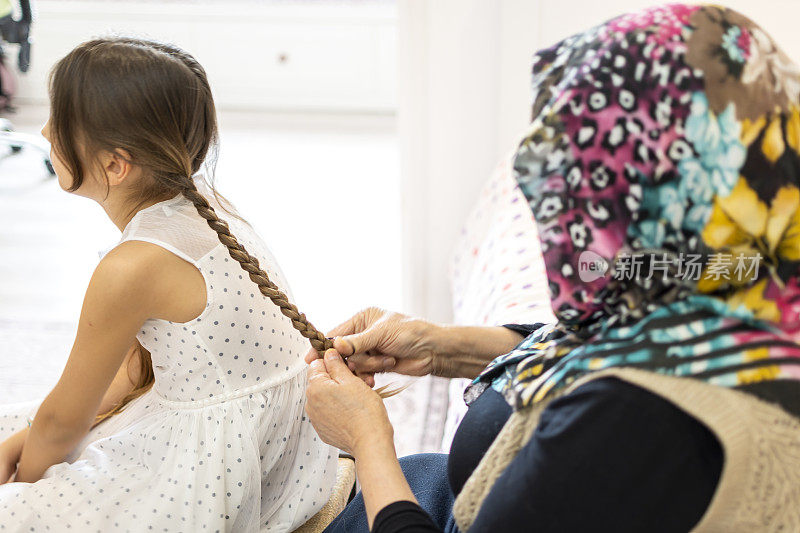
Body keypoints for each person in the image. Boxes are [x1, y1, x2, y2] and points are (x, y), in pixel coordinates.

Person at [305, 4, 800, 532]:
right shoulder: (741, 264)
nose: (558, 236)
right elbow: (602, 336)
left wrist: (367, 441)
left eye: (575, 200)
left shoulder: (636, 421)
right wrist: (441, 348)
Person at [0, 38, 336, 531]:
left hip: (212, 469)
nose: (45, 129)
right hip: (258, 437)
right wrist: (23, 440)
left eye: (59, 121)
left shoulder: (132, 267)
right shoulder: (201, 201)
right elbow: (132, 374)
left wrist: (24, 481)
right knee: (15, 423)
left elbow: (63, 424)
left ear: (116, 164)